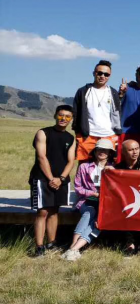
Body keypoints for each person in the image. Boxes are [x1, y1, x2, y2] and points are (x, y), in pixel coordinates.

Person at [29, 105, 76, 257]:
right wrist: (51, 179)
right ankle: (39, 246)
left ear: (71, 119)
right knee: (42, 211)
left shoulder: (70, 138)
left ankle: (52, 243)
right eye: (61, 115)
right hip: (42, 178)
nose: (63, 119)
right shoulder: (43, 133)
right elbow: (41, 157)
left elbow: (71, 161)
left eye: (67, 116)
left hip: (61, 180)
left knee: (55, 211)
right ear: (55, 115)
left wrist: (60, 178)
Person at [61, 138, 115, 261]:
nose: (102, 152)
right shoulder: (84, 167)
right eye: (99, 149)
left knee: (99, 220)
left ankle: (73, 249)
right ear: (94, 151)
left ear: (110, 153)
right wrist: (93, 193)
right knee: (89, 212)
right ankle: (74, 249)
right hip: (86, 201)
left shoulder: (114, 169)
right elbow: (78, 188)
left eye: (105, 150)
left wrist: (113, 172)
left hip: (106, 204)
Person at [72, 59, 121, 161]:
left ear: (110, 76)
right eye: (100, 73)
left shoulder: (113, 92)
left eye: (106, 74)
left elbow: (117, 112)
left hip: (108, 135)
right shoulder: (83, 91)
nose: (102, 76)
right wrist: (79, 132)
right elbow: (76, 113)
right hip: (87, 135)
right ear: (94, 73)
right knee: (84, 165)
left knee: (107, 166)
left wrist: (117, 131)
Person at [113, 139, 140, 255]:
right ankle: (130, 244)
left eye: (137, 149)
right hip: (127, 200)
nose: (135, 152)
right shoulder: (119, 167)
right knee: (125, 213)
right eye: (131, 150)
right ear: (124, 152)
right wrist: (111, 171)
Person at [117, 63, 140, 162]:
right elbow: (116, 105)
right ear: (136, 74)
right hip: (124, 132)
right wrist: (120, 93)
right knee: (121, 161)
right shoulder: (126, 89)